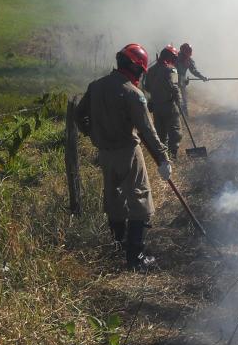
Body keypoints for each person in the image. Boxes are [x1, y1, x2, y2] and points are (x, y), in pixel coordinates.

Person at [75, 43, 173, 270]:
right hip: (128, 153)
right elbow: (147, 131)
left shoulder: (95, 86)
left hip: (105, 154)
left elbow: (79, 116)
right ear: (135, 67)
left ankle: (118, 246)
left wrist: (92, 133)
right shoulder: (132, 93)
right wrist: (163, 159)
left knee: (114, 199)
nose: (140, 74)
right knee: (139, 201)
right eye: (140, 69)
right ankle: (136, 257)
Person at [145, 45, 184, 159]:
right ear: (170, 57)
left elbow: (147, 87)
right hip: (170, 106)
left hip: (157, 107)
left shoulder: (151, 70)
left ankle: (163, 157)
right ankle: (173, 156)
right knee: (174, 132)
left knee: (160, 133)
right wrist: (179, 103)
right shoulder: (172, 70)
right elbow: (175, 88)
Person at [177, 43, 208, 115]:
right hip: (176, 81)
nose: (189, 53)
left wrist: (202, 77)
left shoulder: (187, 60)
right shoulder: (176, 57)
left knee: (182, 100)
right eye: (188, 51)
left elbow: (194, 71)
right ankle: (182, 115)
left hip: (179, 81)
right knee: (180, 99)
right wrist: (202, 77)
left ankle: (183, 115)